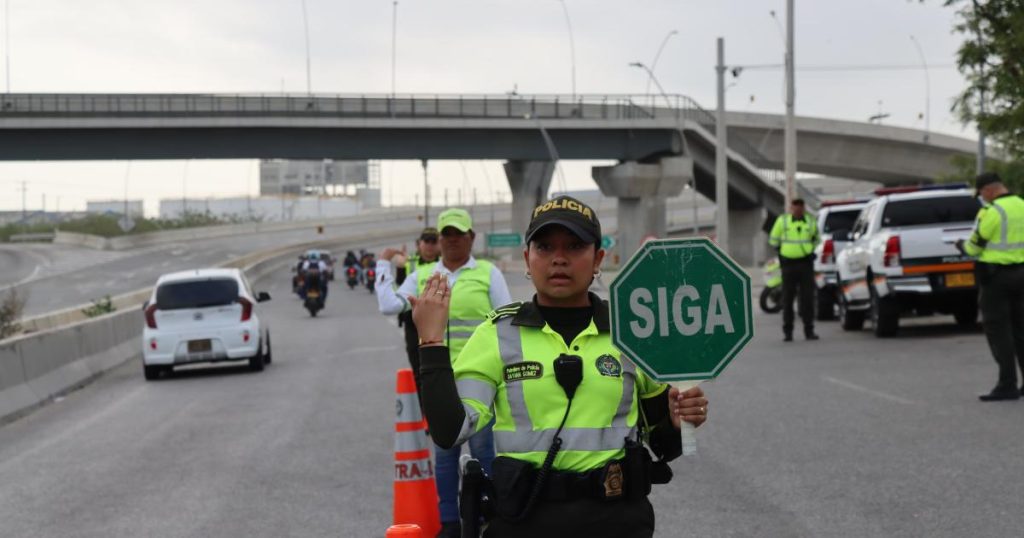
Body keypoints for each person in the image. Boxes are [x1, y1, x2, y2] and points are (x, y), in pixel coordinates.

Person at [412, 196, 708, 537]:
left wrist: (678, 420)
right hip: (526, 520)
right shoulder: (496, 334)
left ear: (597, 258)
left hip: (616, 522)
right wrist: (431, 343)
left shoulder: (632, 332)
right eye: (545, 246)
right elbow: (449, 431)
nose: (559, 259)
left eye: (575, 246)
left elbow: (666, 446)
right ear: (527, 258)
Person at [376, 208, 511, 538]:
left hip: (480, 380)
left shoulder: (488, 274)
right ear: (438, 240)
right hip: (440, 379)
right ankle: (449, 522)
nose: (452, 240)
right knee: (446, 454)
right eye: (446, 234)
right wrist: (382, 264)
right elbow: (388, 305)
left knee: (483, 452)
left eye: (459, 234)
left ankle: (490, 515)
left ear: (471, 238)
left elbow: (506, 323)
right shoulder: (423, 277)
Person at [957, 172, 1024, 401]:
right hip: (1022, 275)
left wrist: (961, 246)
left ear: (989, 190)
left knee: (998, 331)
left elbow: (974, 247)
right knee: (1020, 329)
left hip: (997, 278)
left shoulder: (992, 212)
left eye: (982, 194)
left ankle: (1007, 384)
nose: (982, 198)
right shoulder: (1022, 205)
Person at [380, 227, 442, 392]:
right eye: (426, 241)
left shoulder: (447, 263)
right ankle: (425, 411)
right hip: (413, 322)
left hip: (440, 322)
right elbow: (398, 293)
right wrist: (400, 268)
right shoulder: (408, 263)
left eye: (433, 241)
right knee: (419, 370)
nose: (429, 245)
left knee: (442, 370)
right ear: (419, 244)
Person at [769, 198, 820, 341]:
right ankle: (788, 332)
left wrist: (811, 251)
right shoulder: (782, 221)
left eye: (800, 208)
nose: (797, 210)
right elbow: (773, 239)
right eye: (795, 208)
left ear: (803, 208)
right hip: (788, 264)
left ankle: (809, 330)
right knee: (788, 299)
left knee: (807, 299)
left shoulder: (810, 221)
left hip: (805, 264)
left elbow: (817, 239)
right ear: (791, 208)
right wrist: (781, 253)